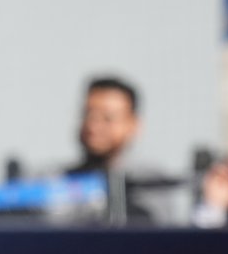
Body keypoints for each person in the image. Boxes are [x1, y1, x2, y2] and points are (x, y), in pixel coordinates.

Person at [63, 76, 178, 225]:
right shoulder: (57, 181)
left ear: (133, 125)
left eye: (108, 118)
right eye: (88, 114)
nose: (93, 126)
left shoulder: (152, 184)